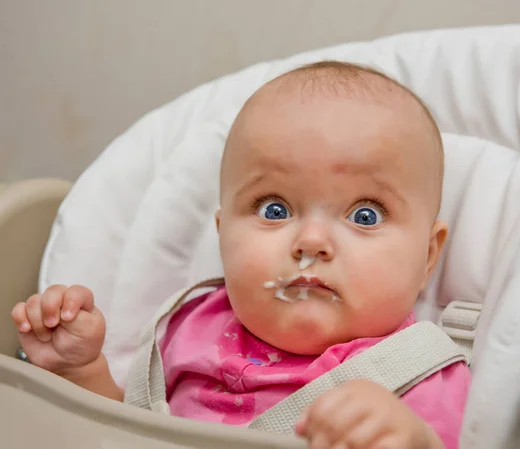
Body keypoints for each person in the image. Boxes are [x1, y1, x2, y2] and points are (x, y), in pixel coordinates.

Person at [11, 61, 470, 449]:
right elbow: (130, 433)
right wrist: (81, 371)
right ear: (221, 233)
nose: (310, 241)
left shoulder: (419, 374)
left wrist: (409, 438)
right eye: (275, 209)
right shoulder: (191, 326)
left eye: (366, 215)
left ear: (428, 256)